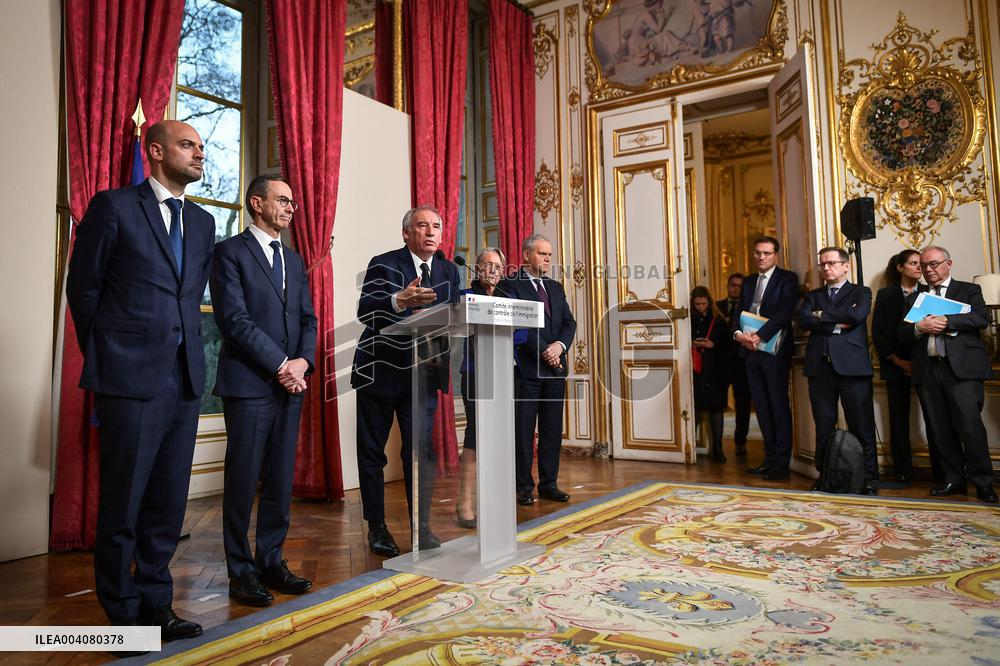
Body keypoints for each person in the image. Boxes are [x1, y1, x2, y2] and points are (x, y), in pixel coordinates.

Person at [66, 120, 213, 642]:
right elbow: (83, 289)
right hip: (129, 375)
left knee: (167, 504)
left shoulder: (201, 222)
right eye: (187, 144)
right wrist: (111, 352)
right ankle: (123, 615)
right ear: (154, 151)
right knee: (124, 502)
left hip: (185, 378)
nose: (200, 152)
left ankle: (157, 603)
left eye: (200, 146)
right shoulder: (114, 207)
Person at [209, 175, 317, 607]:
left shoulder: (293, 259)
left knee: (278, 478)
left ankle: (271, 559)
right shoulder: (229, 252)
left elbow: (308, 319)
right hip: (250, 384)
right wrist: (280, 365)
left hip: (292, 384)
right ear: (257, 202)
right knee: (242, 480)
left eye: (293, 202)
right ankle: (240, 572)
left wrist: (303, 362)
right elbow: (234, 321)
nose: (291, 208)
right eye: (283, 200)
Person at [351, 205, 461, 556]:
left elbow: (453, 316)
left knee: (420, 453)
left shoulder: (448, 269)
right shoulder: (384, 263)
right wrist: (399, 300)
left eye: (436, 226)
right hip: (380, 372)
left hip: (424, 376)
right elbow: (365, 310)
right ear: (407, 233)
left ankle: (421, 525)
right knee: (373, 453)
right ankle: (377, 527)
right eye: (423, 226)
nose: (431, 232)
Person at [897, 246, 997, 503]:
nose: (928, 270)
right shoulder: (914, 298)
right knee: (939, 429)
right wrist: (920, 327)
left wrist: (946, 321)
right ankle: (953, 479)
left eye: (933, 264)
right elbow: (901, 334)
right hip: (928, 370)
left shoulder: (968, 290)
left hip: (962, 371)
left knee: (970, 427)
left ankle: (983, 483)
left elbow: (981, 318)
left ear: (948, 264)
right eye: (923, 266)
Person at [500, 234, 577, 506]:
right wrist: (545, 350)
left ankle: (549, 484)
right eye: (542, 253)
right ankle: (523, 486)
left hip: (555, 369)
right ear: (525, 255)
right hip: (527, 369)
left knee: (552, 429)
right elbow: (517, 326)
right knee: (523, 432)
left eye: (549, 255)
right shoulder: (509, 285)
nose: (547, 259)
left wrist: (559, 346)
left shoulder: (555, 287)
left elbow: (569, 322)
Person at [799, 247, 879, 495]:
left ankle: (868, 479)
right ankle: (824, 476)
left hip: (853, 369)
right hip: (819, 368)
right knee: (824, 426)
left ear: (846, 266)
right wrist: (835, 324)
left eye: (832, 263)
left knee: (861, 425)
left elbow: (856, 315)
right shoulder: (813, 295)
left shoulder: (861, 292)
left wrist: (821, 316)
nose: (826, 268)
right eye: (823, 264)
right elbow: (803, 319)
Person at [731, 236, 799, 481]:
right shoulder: (748, 281)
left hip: (774, 351)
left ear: (776, 255)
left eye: (767, 253)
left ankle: (781, 464)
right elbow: (738, 312)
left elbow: (784, 313)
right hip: (749, 351)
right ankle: (769, 459)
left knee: (777, 406)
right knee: (760, 406)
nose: (761, 257)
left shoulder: (787, 279)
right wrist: (739, 336)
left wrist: (759, 336)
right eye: (758, 253)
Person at [456, 247, 508, 528]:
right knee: (476, 436)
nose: (492, 270)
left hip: (503, 373)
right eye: (487, 264)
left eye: (497, 266)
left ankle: (492, 500)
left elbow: (521, 333)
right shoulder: (466, 297)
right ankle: (464, 502)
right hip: (476, 373)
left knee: (498, 437)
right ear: (476, 268)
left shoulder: (508, 299)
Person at [871, 250, 930, 485]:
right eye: (914, 263)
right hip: (895, 364)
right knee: (898, 420)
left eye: (921, 263)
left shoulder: (929, 293)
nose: (919, 268)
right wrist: (896, 360)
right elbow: (878, 332)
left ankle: (944, 470)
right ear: (900, 267)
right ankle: (902, 470)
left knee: (935, 418)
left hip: (925, 364)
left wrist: (918, 363)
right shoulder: (886, 294)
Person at [691, 286, 730, 463]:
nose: (700, 307)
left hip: (715, 368)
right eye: (697, 304)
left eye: (703, 303)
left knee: (716, 408)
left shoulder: (718, 319)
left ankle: (718, 447)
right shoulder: (688, 319)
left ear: (709, 302)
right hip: (696, 368)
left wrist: (712, 345)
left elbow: (728, 344)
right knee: (696, 408)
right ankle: (690, 446)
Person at [716, 272, 751, 457]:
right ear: (728, 285)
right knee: (717, 402)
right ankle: (716, 444)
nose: (735, 288)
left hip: (741, 363)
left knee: (743, 403)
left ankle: (740, 441)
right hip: (721, 362)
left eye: (739, 285)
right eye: (733, 285)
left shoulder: (749, 308)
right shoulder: (717, 306)